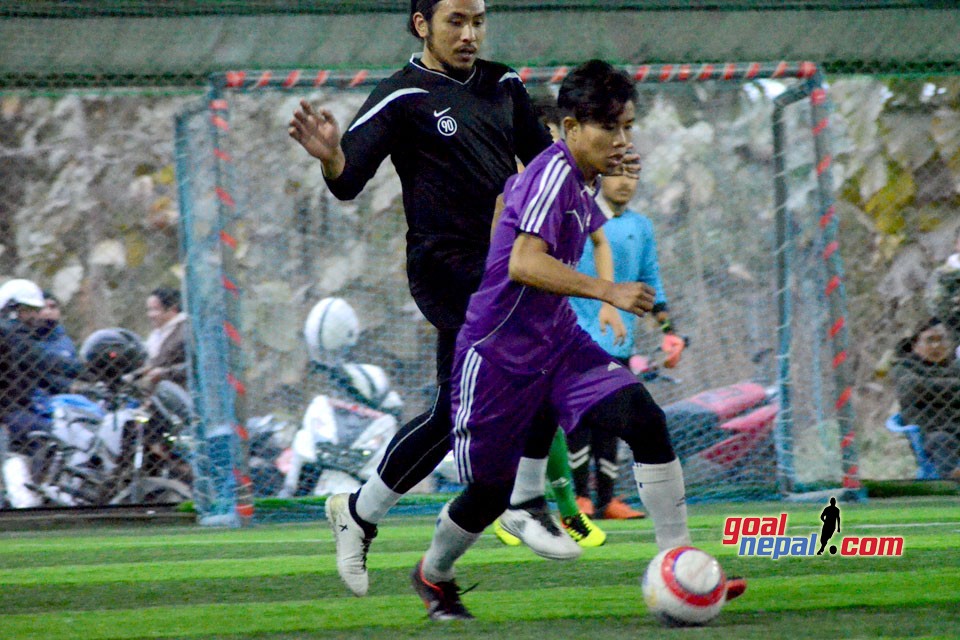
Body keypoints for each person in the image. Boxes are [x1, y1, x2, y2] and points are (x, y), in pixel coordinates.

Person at [288, 0, 606, 596]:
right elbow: (349, 178)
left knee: (448, 414)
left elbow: (546, 164)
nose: (469, 33)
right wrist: (331, 154)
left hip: (498, 262)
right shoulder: (403, 95)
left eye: (478, 21)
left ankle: (357, 511)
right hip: (443, 267)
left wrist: (594, 165)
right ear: (422, 25)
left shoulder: (504, 83)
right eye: (456, 21)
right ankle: (524, 500)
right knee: (532, 355)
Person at [410, 60, 745, 620]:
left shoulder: (580, 178)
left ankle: (679, 560)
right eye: (608, 128)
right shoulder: (550, 174)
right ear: (570, 129)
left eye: (629, 127)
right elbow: (522, 262)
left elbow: (564, 228)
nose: (621, 140)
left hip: (557, 342)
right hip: (497, 355)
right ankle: (433, 573)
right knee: (488, 495)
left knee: (645, 419)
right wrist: (606, 292)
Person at [567, 172, 676, 520]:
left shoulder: (640, 226)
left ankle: (607, 500)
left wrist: (669, 330)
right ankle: (580, 497)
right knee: (578, 416)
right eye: (618, 174)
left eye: (634, 175)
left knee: (613, 418)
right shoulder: (577, 215)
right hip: (575, 334)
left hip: (618, 338)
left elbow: (650, 281)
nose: (626, 182)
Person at [0, 279, 81, 448]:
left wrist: (74, 388)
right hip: (8, 414)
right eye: (30, 310)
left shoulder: (15, 336)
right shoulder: (10, 335)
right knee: (56, 436)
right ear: (14, 309)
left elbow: (40, 374)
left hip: (13, 411)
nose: (37, 315)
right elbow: (45, 361)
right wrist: (88, 369)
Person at [891, 317, 960, 479]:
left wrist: (931, 388)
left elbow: (923, 387)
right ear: (916, 346)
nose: (936, 346)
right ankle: (951, 482)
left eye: (941, 340)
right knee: (942, 439)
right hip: (931, 431)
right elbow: (913, 389)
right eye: (930, 341)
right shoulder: (905, 367)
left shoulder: (955, 365)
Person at [136, 287, 188, 390]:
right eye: (149, 310)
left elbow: (192, 365)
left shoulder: (185, 330)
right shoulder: (157, 334)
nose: (150, 315)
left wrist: (165, 374)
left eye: (155, 310)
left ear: (173, 309)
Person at [34, 291, 81, 396]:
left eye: (52, 307)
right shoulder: (26, 339)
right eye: (42, 308)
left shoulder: (65, 341)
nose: (47, 312)